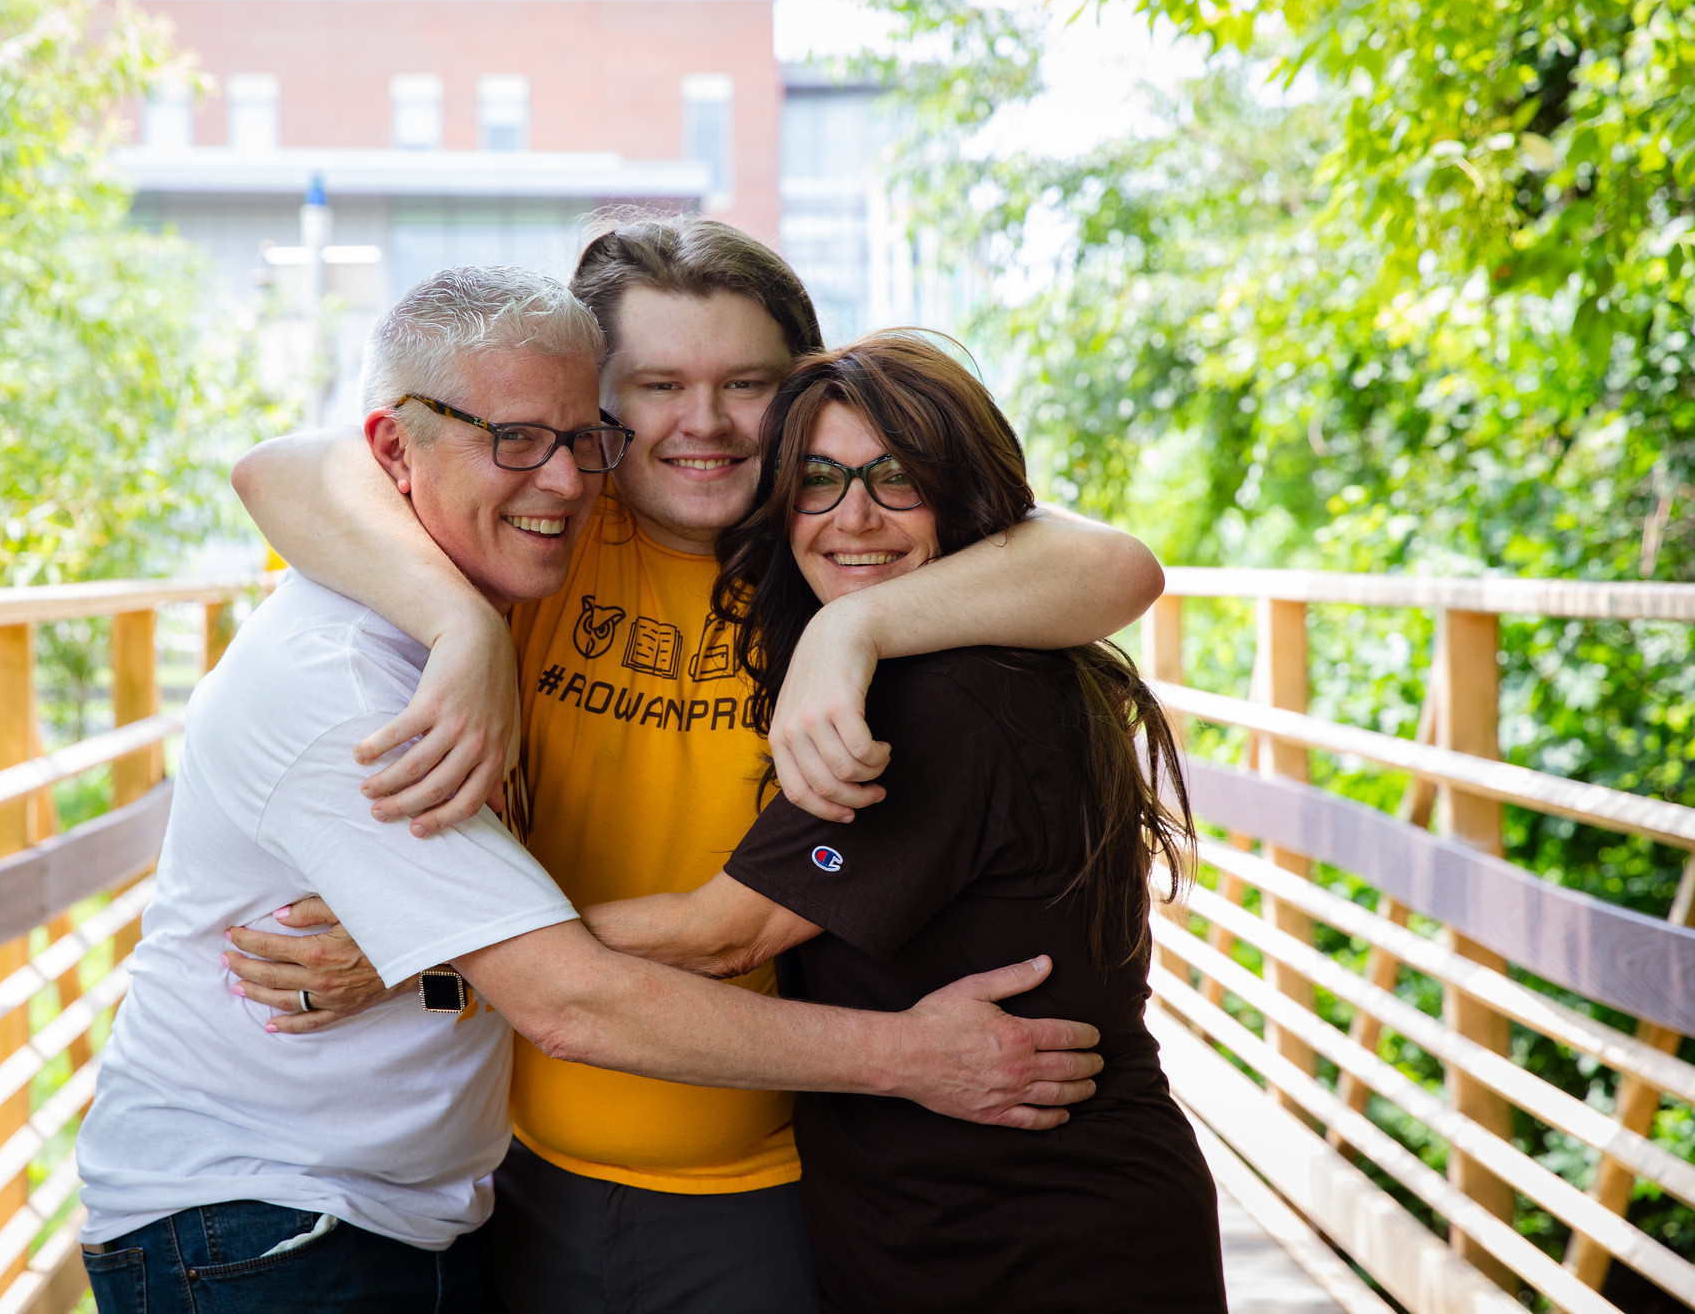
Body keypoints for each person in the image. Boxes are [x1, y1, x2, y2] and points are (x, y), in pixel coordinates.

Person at [74, 271, 1106, 1314]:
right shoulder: (544, 540)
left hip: (733, 1180)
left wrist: (851, 629)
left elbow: (1105, 561)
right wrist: (460, 626)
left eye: (744, 382)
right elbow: (284, 469)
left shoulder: (825, 555)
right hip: (458, 1186)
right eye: (655, 384)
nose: (699, 422)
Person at [582, 331, 1227, 1312]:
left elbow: (724, 933)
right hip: (995, 1225)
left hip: (1034, 1245)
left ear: (964, 501)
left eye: (897, 479)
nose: (855, 518)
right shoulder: (995, 657)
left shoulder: (940, 708)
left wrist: (441, 944)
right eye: (820, 479)